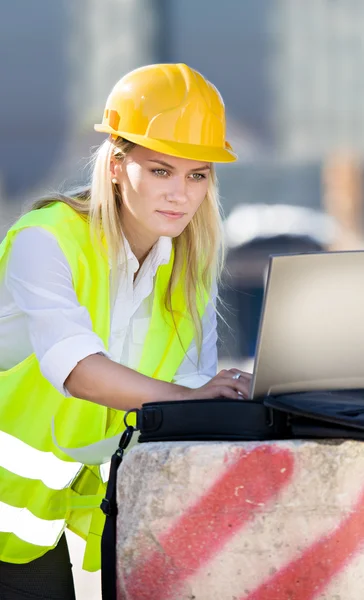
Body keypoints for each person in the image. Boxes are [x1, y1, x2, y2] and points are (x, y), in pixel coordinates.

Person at [0, 63, 251, 599]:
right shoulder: (44, 240)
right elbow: (79, 372)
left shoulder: (188, 271)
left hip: (48, 521)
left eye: (197, 175)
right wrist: (189, 397)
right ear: (116, 165)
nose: (180, 195)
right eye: (160, 170)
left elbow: (186, 396)